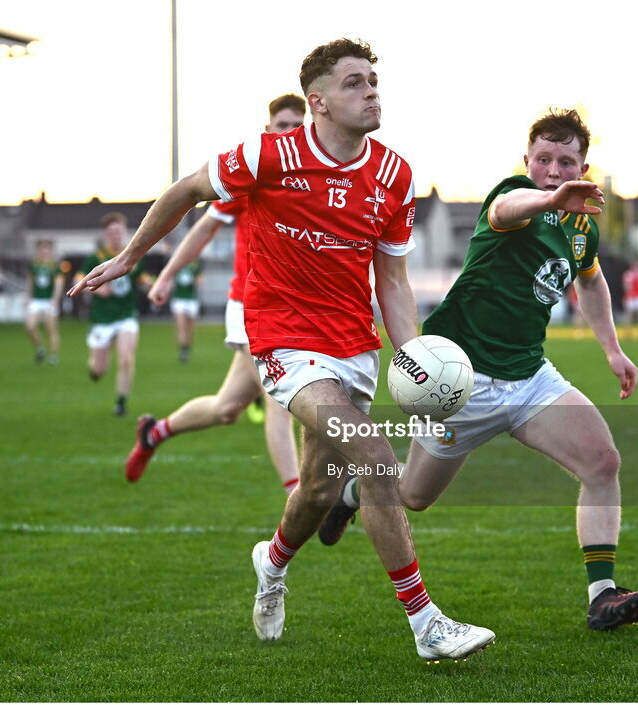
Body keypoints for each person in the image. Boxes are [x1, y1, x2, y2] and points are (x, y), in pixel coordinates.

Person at [69, 38, 494, 662]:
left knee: (320, 492)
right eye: (354, 83)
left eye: (374, 80)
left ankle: (271, 563)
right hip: (283, 340)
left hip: (354, 344)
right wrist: (133, 257)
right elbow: (188, 190)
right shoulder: (267, 155)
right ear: (317, 102)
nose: (371, 90)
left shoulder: (394, 176)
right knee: (374, 455)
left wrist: (416, 361)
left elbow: (393, 282)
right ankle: (427, 623)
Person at [318, 109, 638, 632]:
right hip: (460, 383)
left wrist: (612, 349)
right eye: (544, 159)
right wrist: (547, 198)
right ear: (527, 161)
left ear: (583, 166)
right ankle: (350, 493)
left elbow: (590, 283)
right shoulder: (518, 196)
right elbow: (505, 210)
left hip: (529, 377)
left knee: (602, 460)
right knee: (413, 496)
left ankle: (603, 593)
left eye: (566, 161)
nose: (553, 169)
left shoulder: (579, 225)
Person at [125, 94, 307, 495]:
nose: (290, 132)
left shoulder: (319, 182)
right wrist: (167, 275)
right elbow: (204, 228)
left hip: (296, 312)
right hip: (250, 307)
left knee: (227, 409)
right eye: (282, 125)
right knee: (283, 402)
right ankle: (298, 501)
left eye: (298, 125)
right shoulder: (253, 177)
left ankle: (154, 433)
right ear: (268, 131)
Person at [74, 212, 151, 416]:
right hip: (102, 317)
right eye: (111, 232)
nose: (115, 235)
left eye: (118, 231)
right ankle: (94, 367)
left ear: (124, 232)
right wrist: (97, 288)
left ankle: (121, 403)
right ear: (106, 234)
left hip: (126, 315)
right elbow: (78, 280)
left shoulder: (133, 255)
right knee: (99, 370)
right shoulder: (96, 258)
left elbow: (142, 280)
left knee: (126, 358)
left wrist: (153, 285)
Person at [24, 239, 68, 364]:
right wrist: (27, 296)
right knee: (30, 326)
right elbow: (30, 282)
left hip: (49, 300)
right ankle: (40, 347)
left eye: (46, 249)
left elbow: (59, 284)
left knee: (51, 328)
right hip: (36, 300)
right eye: (42, 249)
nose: (44, 251)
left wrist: (55, 300)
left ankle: (53, 355)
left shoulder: (55, 266)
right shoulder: (34, 265)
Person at [168, 252, 203, 364]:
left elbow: (199, 281)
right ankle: (183, 350)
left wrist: (196, 281)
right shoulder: (177, 266)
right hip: (179, 299)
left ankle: (187, 347)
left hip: (191, 300)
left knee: (190, 328)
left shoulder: (195, 266)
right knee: (181, 325)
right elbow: (170, 279)